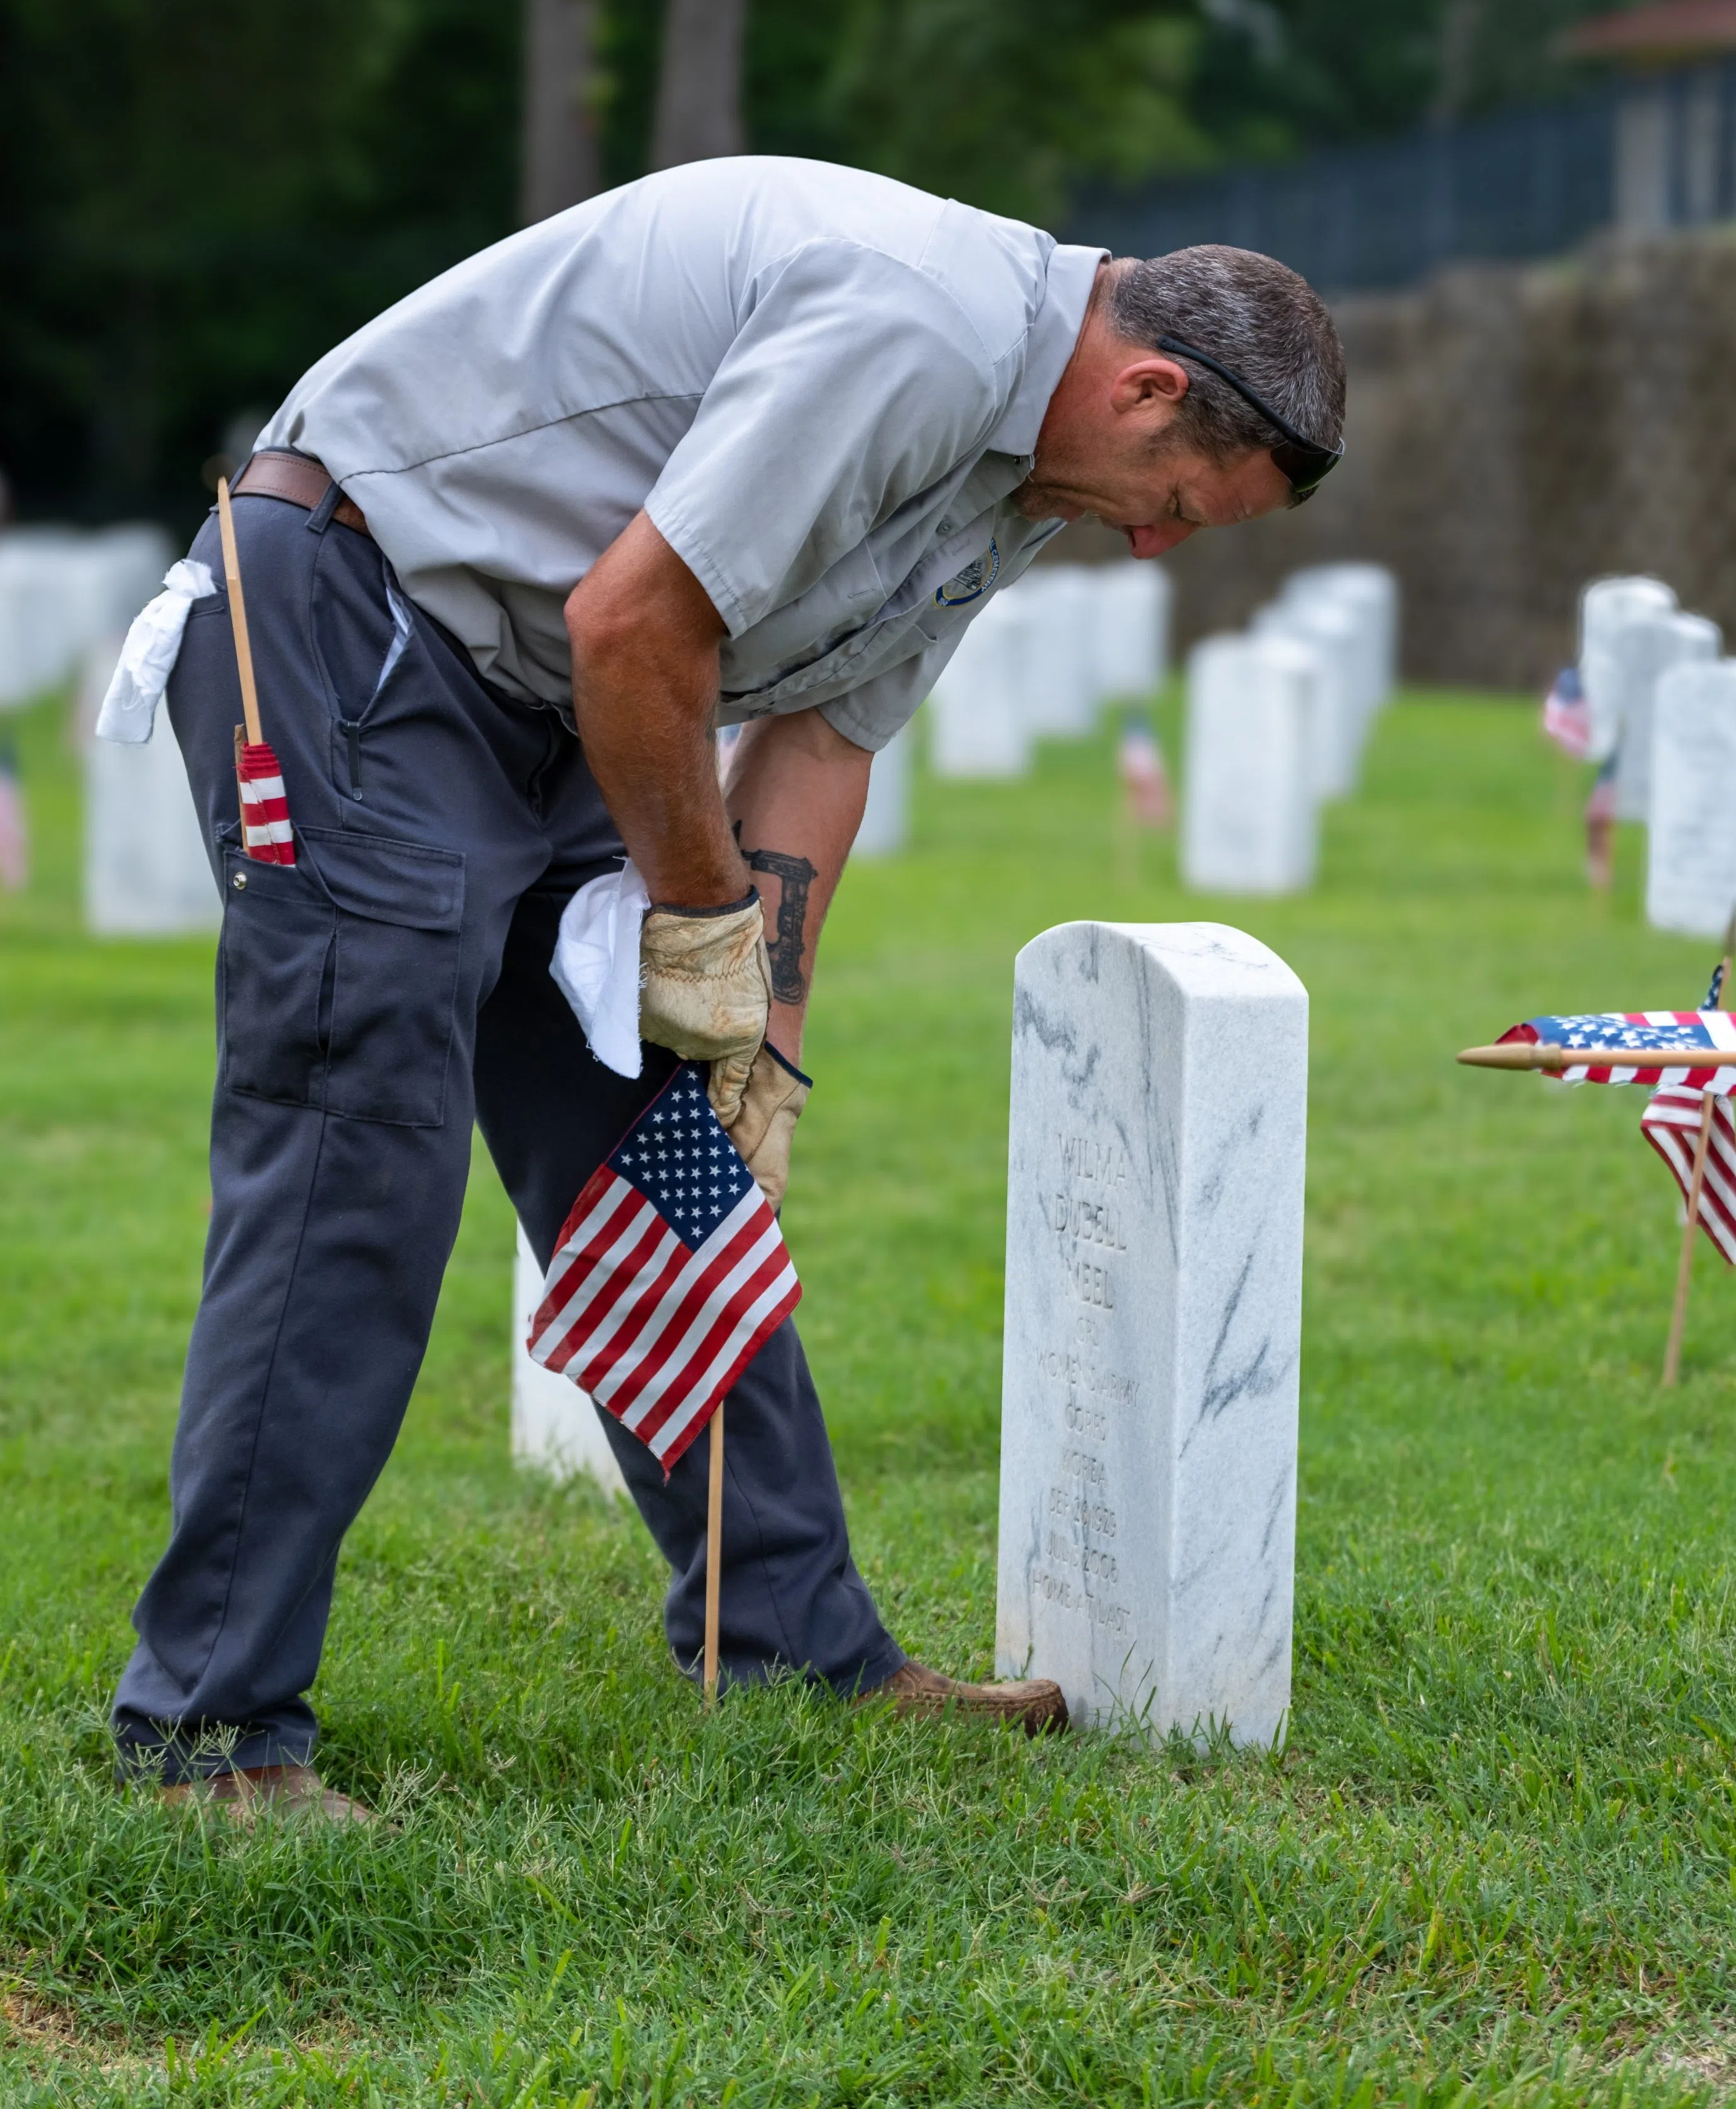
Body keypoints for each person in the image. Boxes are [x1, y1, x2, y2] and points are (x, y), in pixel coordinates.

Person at [111, 155, 1345, 1818]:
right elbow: (638, 623)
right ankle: (210, 1732)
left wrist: (760, 1043)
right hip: (362, 617)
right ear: (1148, 390)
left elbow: (823, 743)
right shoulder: (922, 329)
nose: (1150, 542)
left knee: (671, 1169)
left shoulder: (1019, 485)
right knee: (360, 1158)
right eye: (1177, 504)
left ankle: (789, 1646)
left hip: (550, 702)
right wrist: (699, 928)